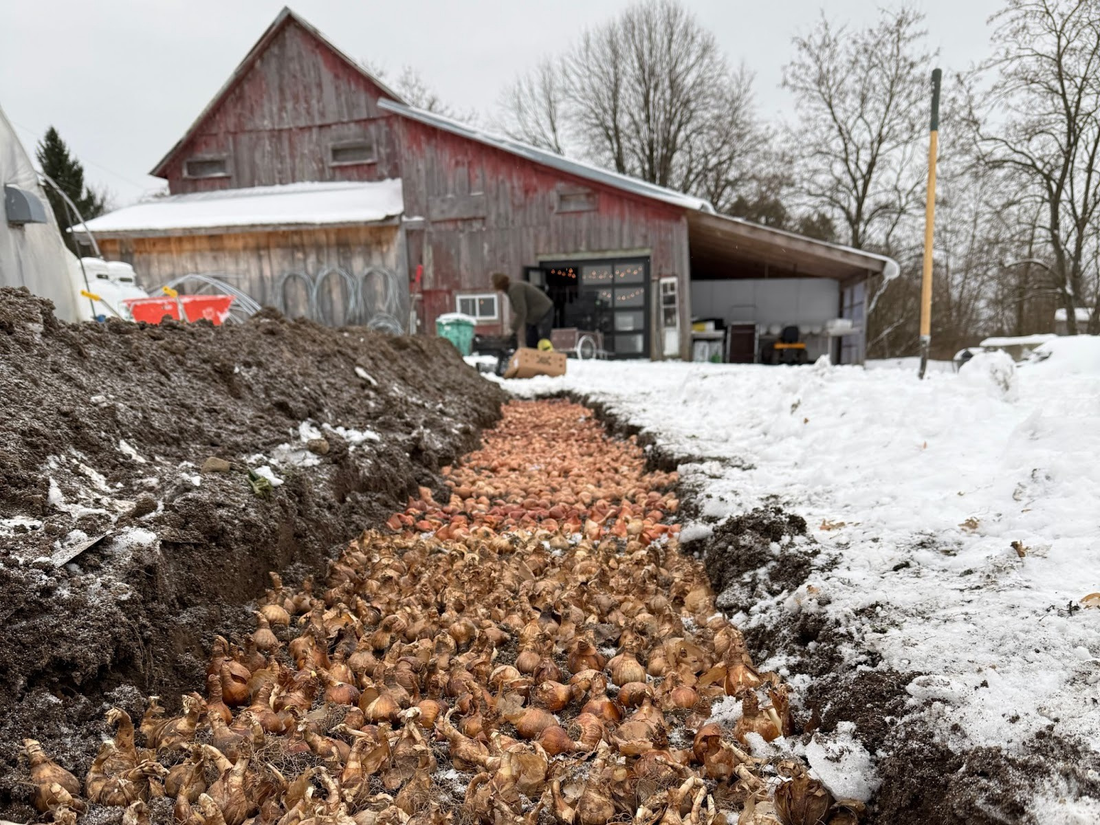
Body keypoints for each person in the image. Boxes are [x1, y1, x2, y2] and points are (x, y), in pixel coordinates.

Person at [491, 272, 554, 349]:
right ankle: (533, 359)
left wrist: (512, 330)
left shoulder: (515, 290)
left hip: (544, 312)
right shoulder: (512, 289)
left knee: (543, 341)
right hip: (535, 316)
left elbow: (521, 312)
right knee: (531, 341)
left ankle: (548, 359)